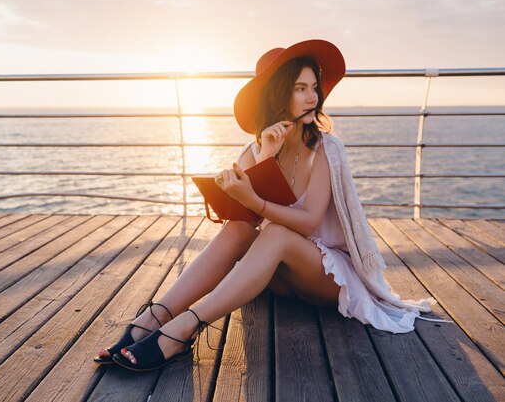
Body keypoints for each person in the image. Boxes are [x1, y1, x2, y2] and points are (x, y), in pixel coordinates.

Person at [94, 39, 442, 372]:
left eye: (314, 87)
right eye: (300, 89)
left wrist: (254, 199)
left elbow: (306, 224)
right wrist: (263, 160)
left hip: (328, 277)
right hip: (281, 280)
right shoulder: (253, 150)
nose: (312, 97)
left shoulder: (326, 149)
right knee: (240, 227)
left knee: (276, 232)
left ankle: (183, 329)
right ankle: (155, 316)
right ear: (277, 95)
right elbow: (246, 221)